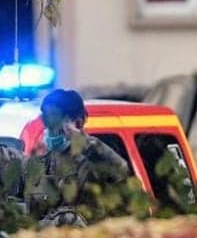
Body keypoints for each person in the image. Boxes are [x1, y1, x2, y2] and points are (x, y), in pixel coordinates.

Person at [24, 89, 129, 224]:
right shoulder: (41, 162)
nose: (50, 131)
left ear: (78, 123)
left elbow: (121, 170)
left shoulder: (94, 159)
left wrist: (80, 140)